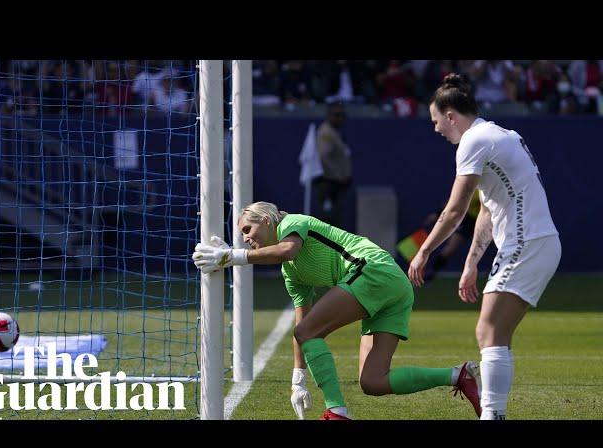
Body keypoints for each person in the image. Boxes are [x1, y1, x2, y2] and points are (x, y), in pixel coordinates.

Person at [192, 201, 481, 420]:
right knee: (372, 381)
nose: (245, 237)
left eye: (248, 229)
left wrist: (232, 257)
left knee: (308, 332)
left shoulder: (292, 222)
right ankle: (458, 375)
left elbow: (287, 250)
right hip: (394, 287)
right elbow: (301, 319)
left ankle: (337, 412)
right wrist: (297, 379)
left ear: (266, 220)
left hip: (373, 271)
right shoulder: (291, 273)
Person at [408, 73, 561, 420]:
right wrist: (470, 263)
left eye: (436, 121)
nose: (436, 129)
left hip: (528, 242)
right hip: (536, 242)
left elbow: (455, 210)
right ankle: (494, 414)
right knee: (495, 333)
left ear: (450, 115)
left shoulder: (474, 141)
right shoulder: (500, 135)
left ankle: (492, 415)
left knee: (488, 330)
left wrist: (424, 251)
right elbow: (487, 210)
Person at [421, 190, 481, 283]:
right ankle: (431, 273)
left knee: (500, 244)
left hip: (486, 221)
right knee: (450, 248)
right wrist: (437, 214)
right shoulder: (472, 185)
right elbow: (453, 201)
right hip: (468, 220)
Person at [313, 103, 352, 229]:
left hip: (336, 184)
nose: (340, 119)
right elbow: (323, 157)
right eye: (337, 115)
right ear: (329, 116)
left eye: (342, 115)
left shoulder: (335, 132)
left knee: (335, 219)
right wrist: (337, 175)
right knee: (328, 219)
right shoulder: (326, 133)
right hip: (329, 183)